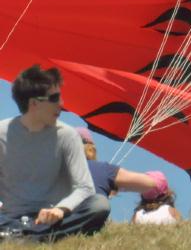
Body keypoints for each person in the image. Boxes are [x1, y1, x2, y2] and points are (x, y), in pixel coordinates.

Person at [0, 65, 110, 241]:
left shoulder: (68, 136)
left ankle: (21, 237)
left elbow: (85, 187)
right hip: (8, 217)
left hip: (52, 217)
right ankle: (29, 236)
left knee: (99, 205)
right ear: (34, 103)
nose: (61, 104)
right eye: (54, 98)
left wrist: (61, 209)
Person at [76, 127, 165, 203]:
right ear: (91, 149)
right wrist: (114, 185)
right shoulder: (103, 170)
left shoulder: (63, 170)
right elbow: (152, 183)